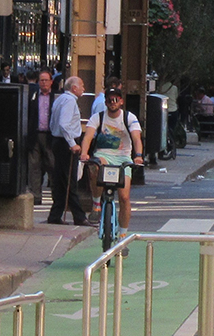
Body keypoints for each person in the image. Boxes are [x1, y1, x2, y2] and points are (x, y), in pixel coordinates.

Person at [79, 88, 144, 232]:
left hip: (123, 158)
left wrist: (138, 155)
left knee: (124, 197)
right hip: (104, 155)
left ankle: (123, 234)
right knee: (96, 165)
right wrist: (84, 153)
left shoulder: (129, 118)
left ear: (121, 101)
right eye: (109, 99)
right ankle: (96, 204)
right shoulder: (98, 117)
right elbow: (88, 137)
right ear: (106, 102)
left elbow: (136, 138)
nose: (112, 102)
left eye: (116, 99)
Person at [47, 76, 91, 225]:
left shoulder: (59, 99)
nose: (84, 89)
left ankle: (55, 214)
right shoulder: (70, 101)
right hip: (66, 143)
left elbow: (53, 122)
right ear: (74, 88)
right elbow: (64, 124)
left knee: (60, 180)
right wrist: (72, 143)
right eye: (82, 86)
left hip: (57, 141)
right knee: (70, 180)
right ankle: (79, 216)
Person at [27, 68, 55, 199]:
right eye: (41, 80)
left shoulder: (56, 96)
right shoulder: (32, 95)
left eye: (46, 80)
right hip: (35, 134)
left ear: (51, 82)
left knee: (52, 165)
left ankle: (56, 196)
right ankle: (36, 196)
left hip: (50, 136)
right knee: (34, 166)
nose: (43, 83)